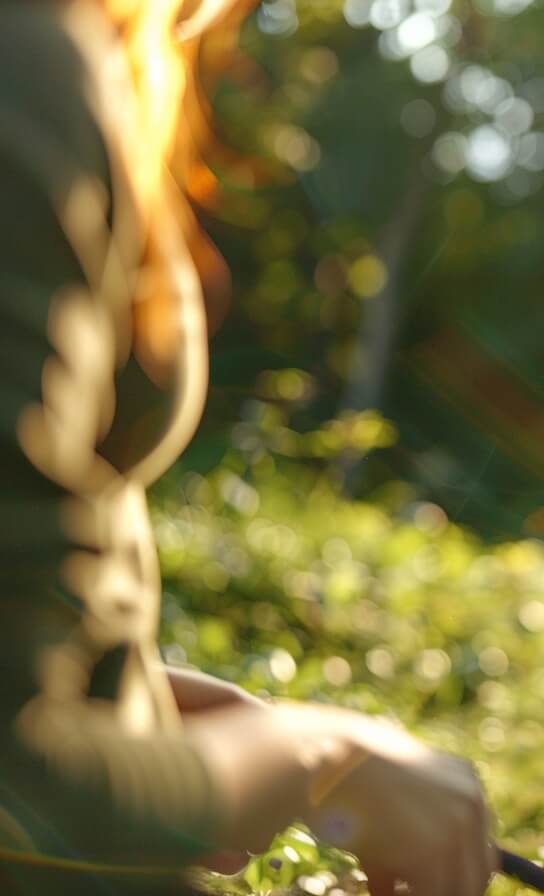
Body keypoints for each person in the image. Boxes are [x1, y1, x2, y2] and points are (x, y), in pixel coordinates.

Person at [0, 1, 498, 894]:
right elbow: (17, 766)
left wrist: (134, 690)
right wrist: (317, 752)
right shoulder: (28, 61)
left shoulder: (82, 55)